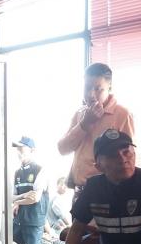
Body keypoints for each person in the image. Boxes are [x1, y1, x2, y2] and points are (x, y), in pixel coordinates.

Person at [57, 63, 135, 193]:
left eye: (98, 89)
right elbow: (62, 149)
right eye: (87, 88)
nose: (91, 94)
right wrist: (84, 124)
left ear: (109, 87)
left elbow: (129, 159)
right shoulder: (80, 114)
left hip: (107, 192)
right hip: (79, 190)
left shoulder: (122, 114)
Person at [11, 136, 48, 244]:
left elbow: (35, 198)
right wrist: (22, 197)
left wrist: (18, 201)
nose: (19, 152)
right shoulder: (17, 173)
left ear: (32, 150)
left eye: (22, 148)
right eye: (17, 149)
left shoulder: (40, 169)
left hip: (34, 220)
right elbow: (10, 197)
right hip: (18, 219)